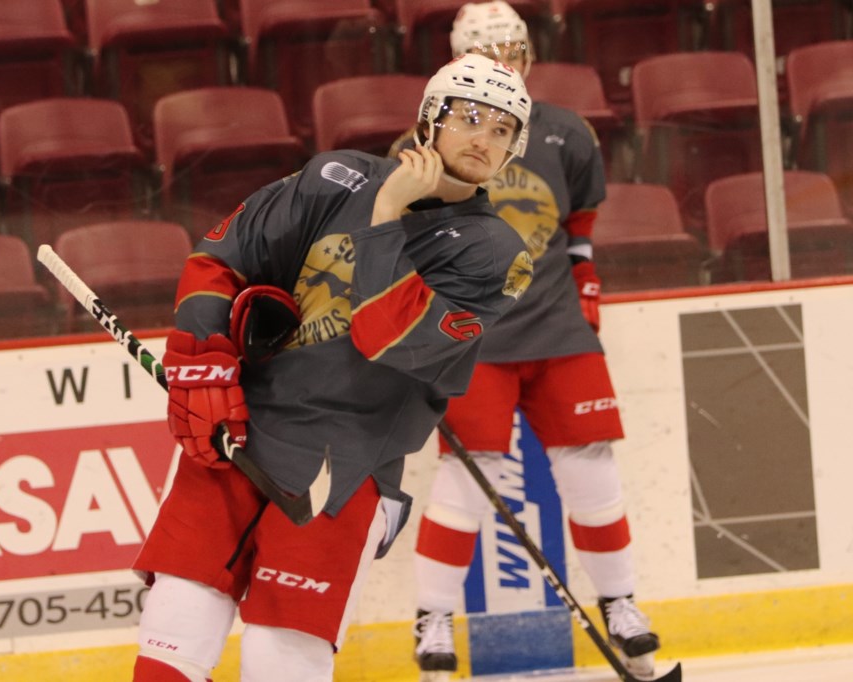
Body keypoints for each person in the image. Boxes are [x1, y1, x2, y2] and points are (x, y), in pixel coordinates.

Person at [130, 53, 537, 682]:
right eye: (470, 118)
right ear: (430, 119)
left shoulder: (499, 255)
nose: (484, 138)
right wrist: (200, 359)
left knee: (278, 662)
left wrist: (386, 215)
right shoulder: (336, 176)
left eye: (502, 130)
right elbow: (219, 259)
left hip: (342, 470)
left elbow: (389, 336)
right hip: (238, 434)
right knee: (167, 649)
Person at [406, 3, 662, 680]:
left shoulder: (564, 133)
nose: (506, 65)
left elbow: (578, 224)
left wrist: (585, 281)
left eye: (514, 51)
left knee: (593, 470)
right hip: (475, 341)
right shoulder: (430, 144)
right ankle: (432, 618)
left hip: (557, 330)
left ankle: (620, 604)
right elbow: (399, 243)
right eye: (490, 54)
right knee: (468, 480)